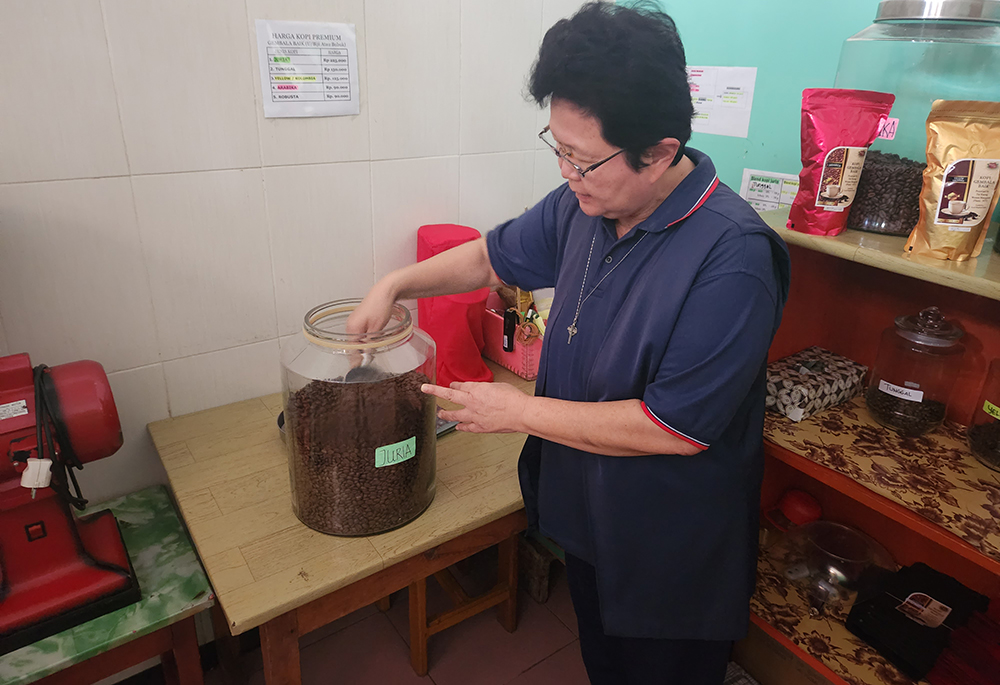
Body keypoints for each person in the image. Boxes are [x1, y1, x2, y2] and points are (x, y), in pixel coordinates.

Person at [349, 4, 790, 683]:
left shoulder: (733, 258)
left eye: (582, 160)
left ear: (661, 151)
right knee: (603, 661)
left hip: (668, 545)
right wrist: (395, 284)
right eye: (557, 149)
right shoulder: (585, 205)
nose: (565, 172)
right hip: (587, 511)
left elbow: (673, 427)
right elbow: (491, 258)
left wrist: (515, 410)